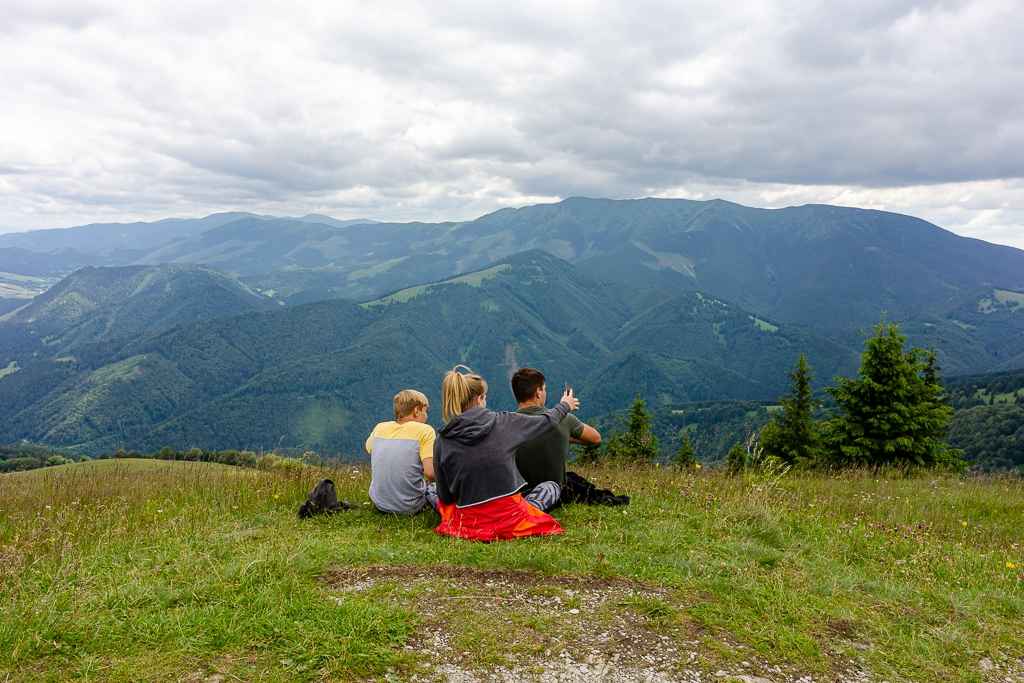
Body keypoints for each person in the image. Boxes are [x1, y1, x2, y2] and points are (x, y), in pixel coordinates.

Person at [433, 365, 581, 541]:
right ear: (480, 399)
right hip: (511, 518)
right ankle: (530, 508)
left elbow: (445, 497)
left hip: (469, 521)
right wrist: (565, 405)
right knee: (551, 487)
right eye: (485, 397)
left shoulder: (443, 439)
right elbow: (546, 421)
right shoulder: (504, 422)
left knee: (430, 490)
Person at [512, 367, 602, 502]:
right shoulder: (564, 420)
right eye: (544, 389)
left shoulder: (506, 423)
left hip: (519, 494)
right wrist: (565, 435)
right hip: (556, 494)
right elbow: (596, 438)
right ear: (538, 392)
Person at [364, 389, 438, 515]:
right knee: (433, 488)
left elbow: (369, 448)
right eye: (425, 411)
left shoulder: (380, 428)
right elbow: (430, 473)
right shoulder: (425, 431)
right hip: (410, 506)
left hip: (379, 503)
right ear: (416, 410)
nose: (426, 416)